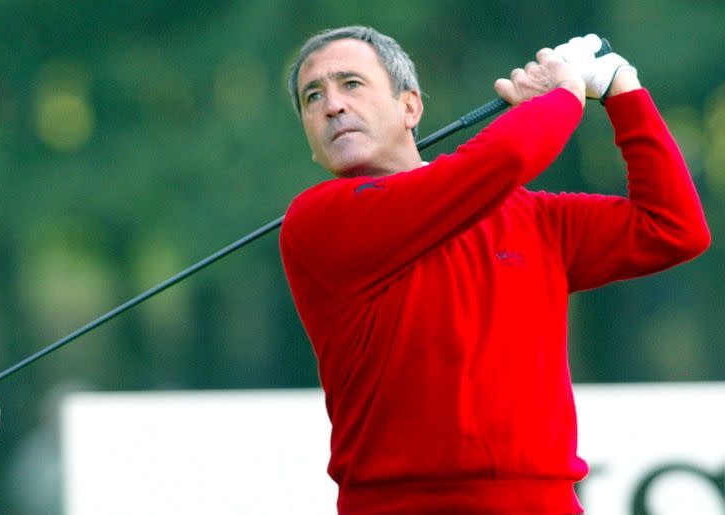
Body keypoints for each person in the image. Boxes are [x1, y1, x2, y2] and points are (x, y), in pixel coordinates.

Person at [279, 26, 710, 514]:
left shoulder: (534, 217)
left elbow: (673, 228)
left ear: (410, 108)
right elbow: (501, 159)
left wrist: (620, 88)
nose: (332, 105)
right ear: (311, 139)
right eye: (313, 96)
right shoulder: (318, 220)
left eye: (351, 84)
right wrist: (565, 91)